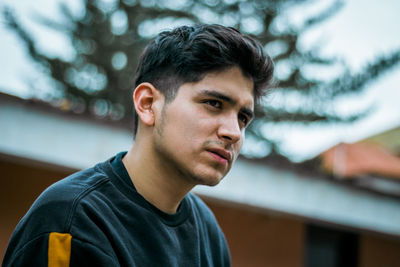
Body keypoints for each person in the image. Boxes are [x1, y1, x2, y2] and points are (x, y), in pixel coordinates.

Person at [3, 24, 274, 266]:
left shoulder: (207, 231)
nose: (234, 132)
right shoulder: (71, 221)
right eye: (214, 103)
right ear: (147, 104)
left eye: (243, 117)